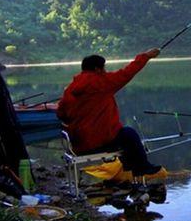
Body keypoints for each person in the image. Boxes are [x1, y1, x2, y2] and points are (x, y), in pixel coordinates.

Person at [57, 48, 162, 176]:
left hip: (77, 145)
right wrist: (146, 56)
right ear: (97, 69)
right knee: (129, 134)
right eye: (104, 68)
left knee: (122, 135)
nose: (105, 71)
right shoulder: (101, 82)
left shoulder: (71, 87)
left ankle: (130, 168)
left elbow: (61, 113)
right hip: (97, 143)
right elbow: (127, 73)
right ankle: (141, 168)